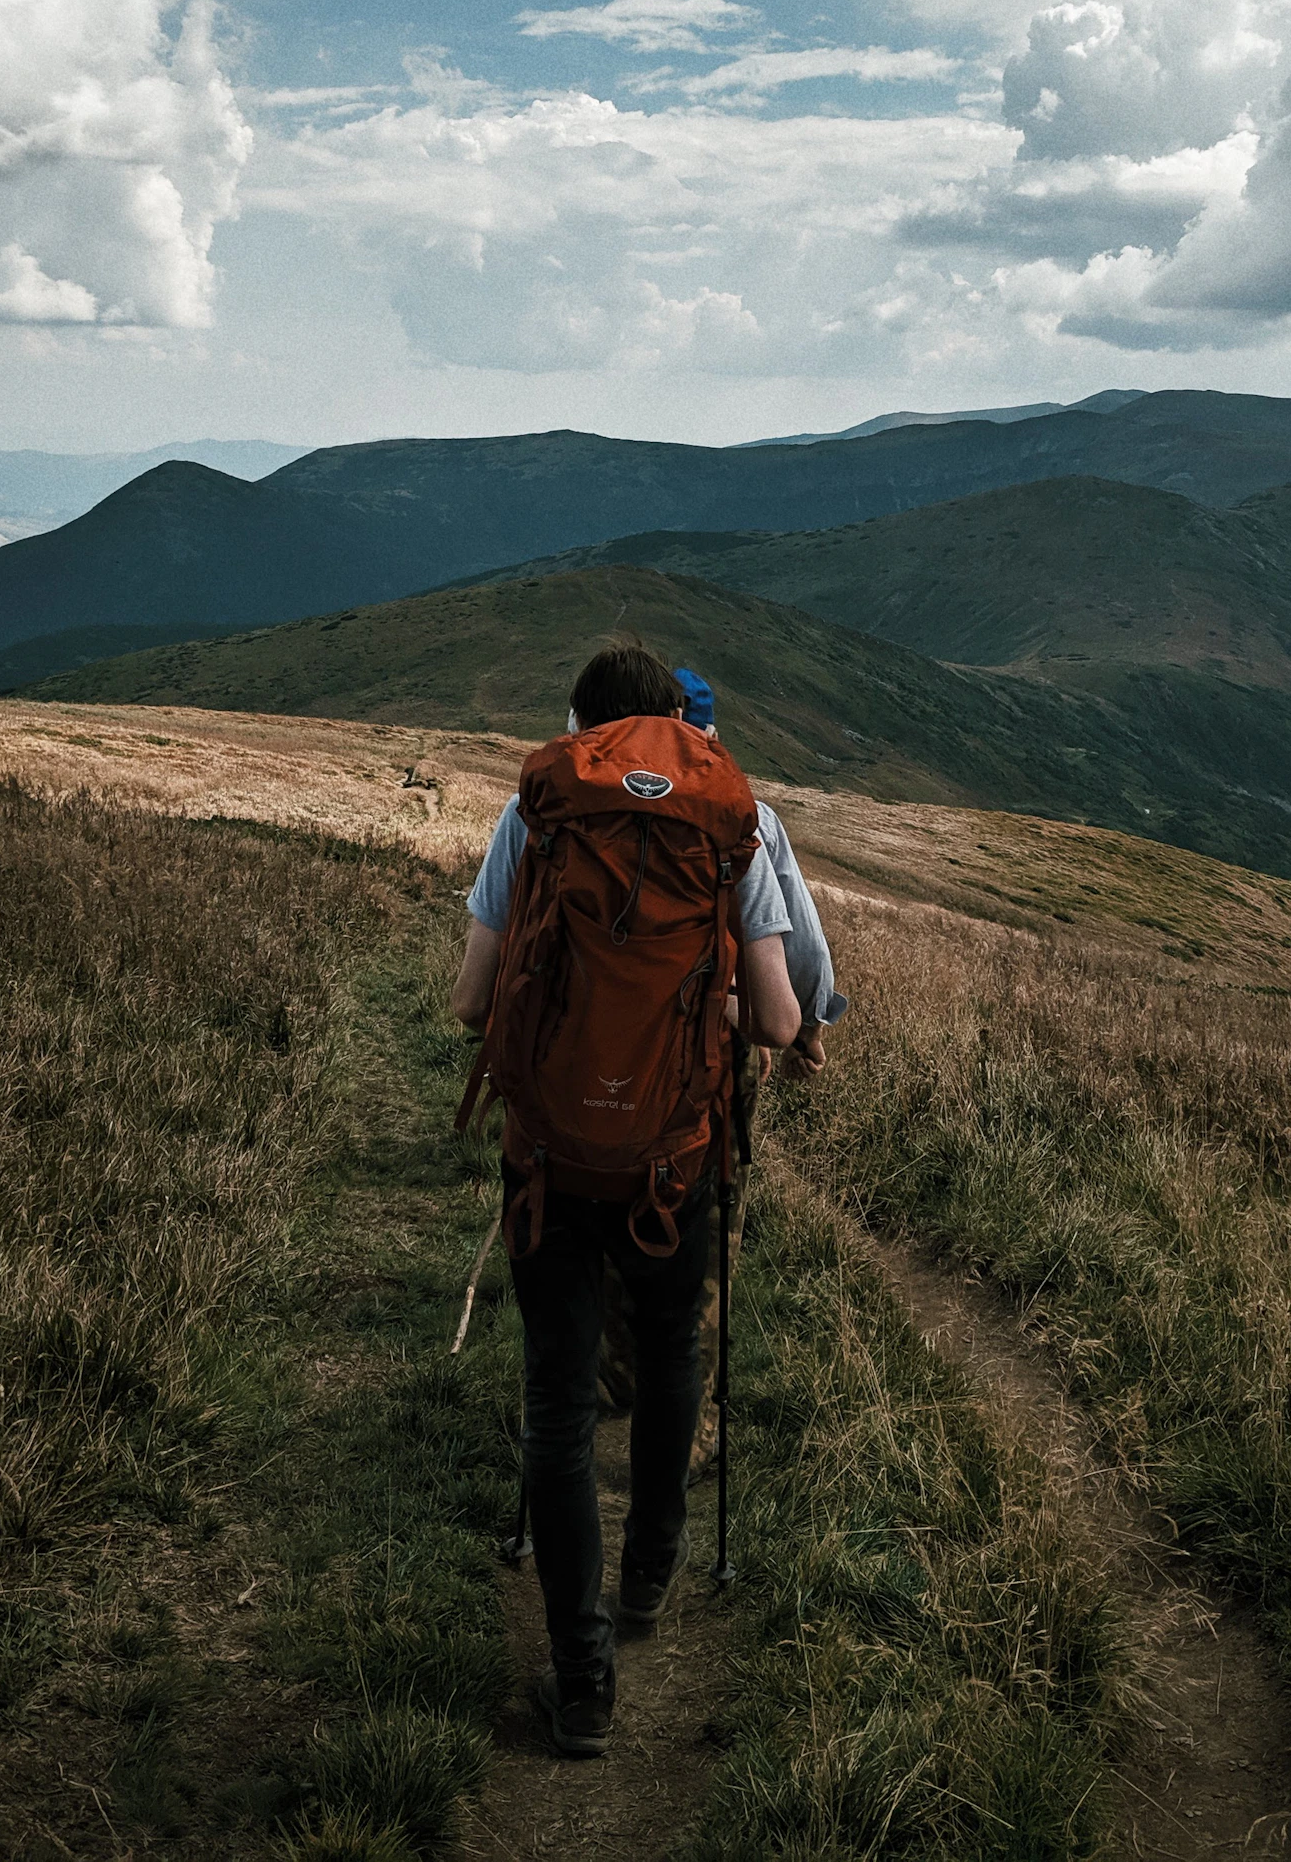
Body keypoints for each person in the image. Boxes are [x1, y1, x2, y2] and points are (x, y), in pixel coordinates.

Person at [451, 643, 802, 1759]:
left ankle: (582, 1674)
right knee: (666, 1358)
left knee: (559, 1401)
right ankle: (650, 1572)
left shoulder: (541, 814)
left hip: (552, 1160)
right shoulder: (722, 824)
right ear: (676, 729)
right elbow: (782, 1025)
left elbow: (470, 1001)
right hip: (673, 1160)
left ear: (583, 727)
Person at [597, 666, 847, 1458]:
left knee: (599, 1193)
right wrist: (808, 1028)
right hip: (708, 1052)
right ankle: (691, 1422)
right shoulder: (746, 818)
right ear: (704, 731)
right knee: (704, 1229)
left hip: (596, 1054)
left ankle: (613, 1371)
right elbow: (802, 959)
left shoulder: (565, 812)